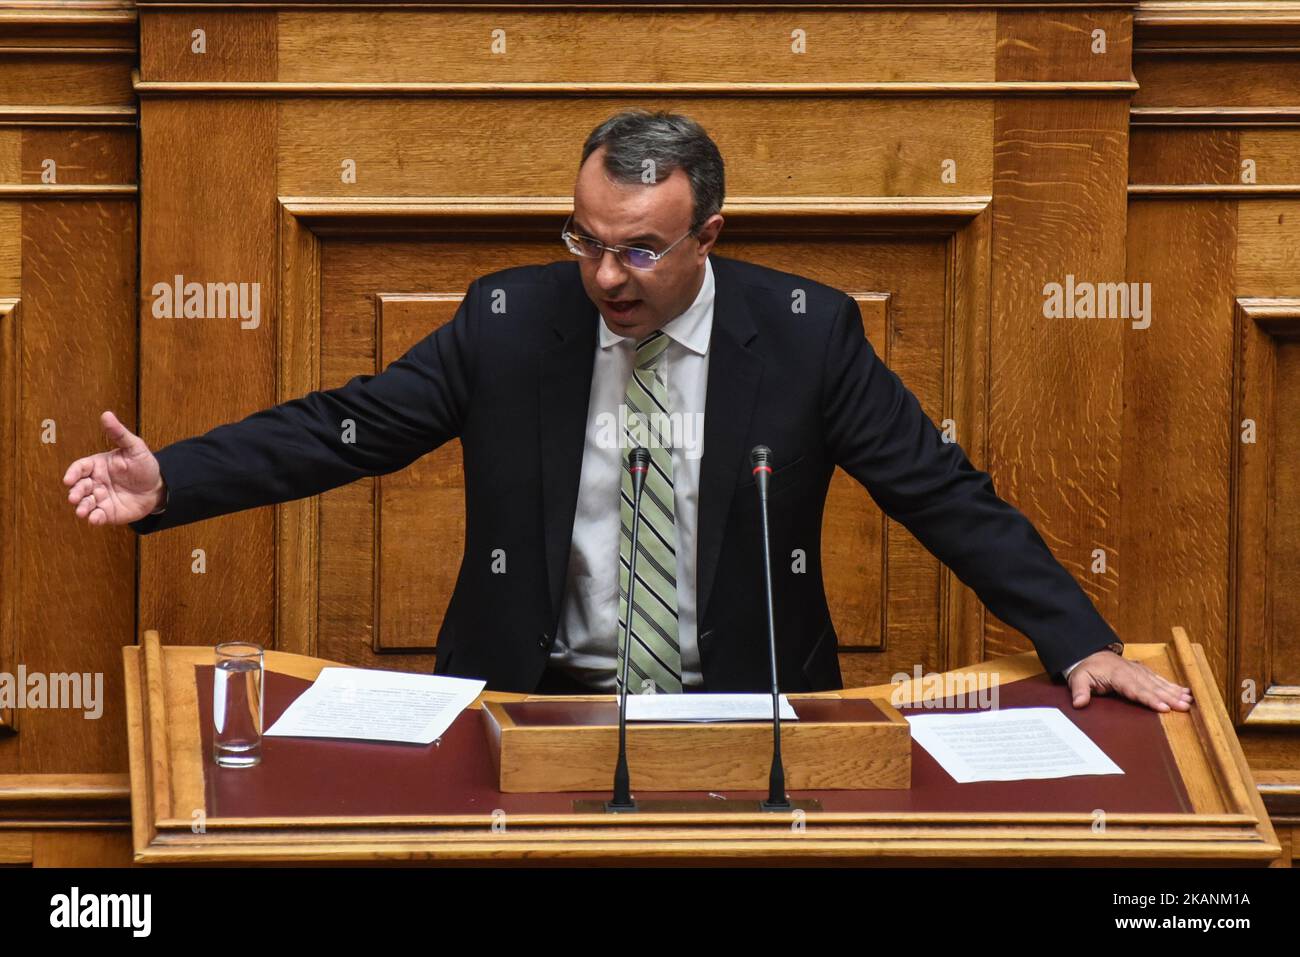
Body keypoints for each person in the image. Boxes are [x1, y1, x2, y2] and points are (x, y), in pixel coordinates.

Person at [63, 109, 1191, 713]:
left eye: (640, 250)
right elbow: (346, 426)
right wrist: (177, 479)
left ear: (709, 236)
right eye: (587, 242)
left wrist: (1077, 638)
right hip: (529, 699)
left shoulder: (805, 332)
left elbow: (939, 493)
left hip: (750, 711)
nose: (606, 277)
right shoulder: (508, 321)